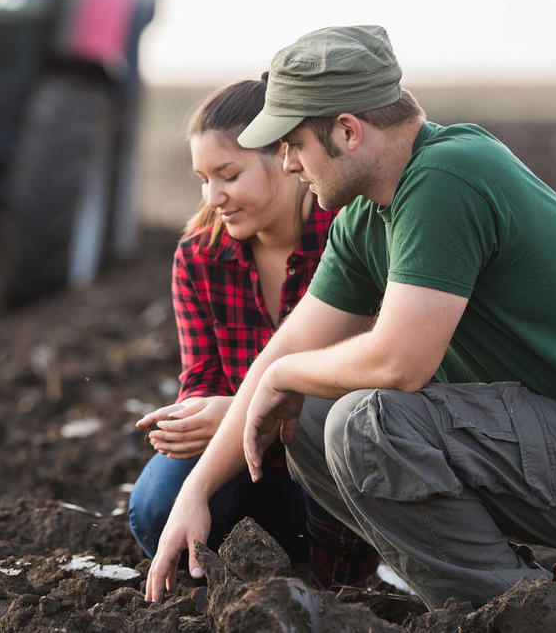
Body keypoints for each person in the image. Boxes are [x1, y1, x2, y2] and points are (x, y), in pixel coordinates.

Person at [145, 25, 556, 609]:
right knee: (311, 419)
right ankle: (515, 596)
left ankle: (539, 614)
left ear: (346, 131)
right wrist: (198, 492)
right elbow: (282, 355)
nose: (287, 165)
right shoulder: (365, 216)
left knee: (367, 422)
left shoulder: (447, 177)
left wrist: (285, 377)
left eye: (293, 145)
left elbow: (399, 362)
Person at [129, 79, 379, 590]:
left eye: (229, 174)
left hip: (336, 461)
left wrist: (249, 411)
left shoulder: (347, 236)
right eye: (203, 179)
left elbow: (371, 377)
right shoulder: (199, 255)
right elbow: (200, 377)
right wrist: (205, 414)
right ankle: (235, 579)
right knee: (156, 504)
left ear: (286, 157)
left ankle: (339, 589)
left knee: (336, 436)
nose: (212, 196)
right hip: (245, 465)